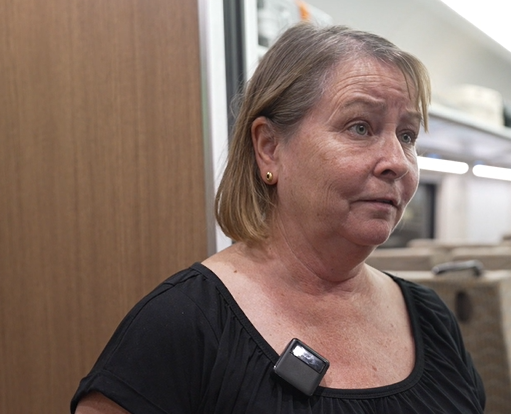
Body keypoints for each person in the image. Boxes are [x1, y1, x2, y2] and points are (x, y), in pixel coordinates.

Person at [71, 23, 485, 413]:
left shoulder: (430, 318)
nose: (397, 161)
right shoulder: (181, 324)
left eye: (407, 135)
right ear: (269, 148)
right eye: (360, 128)